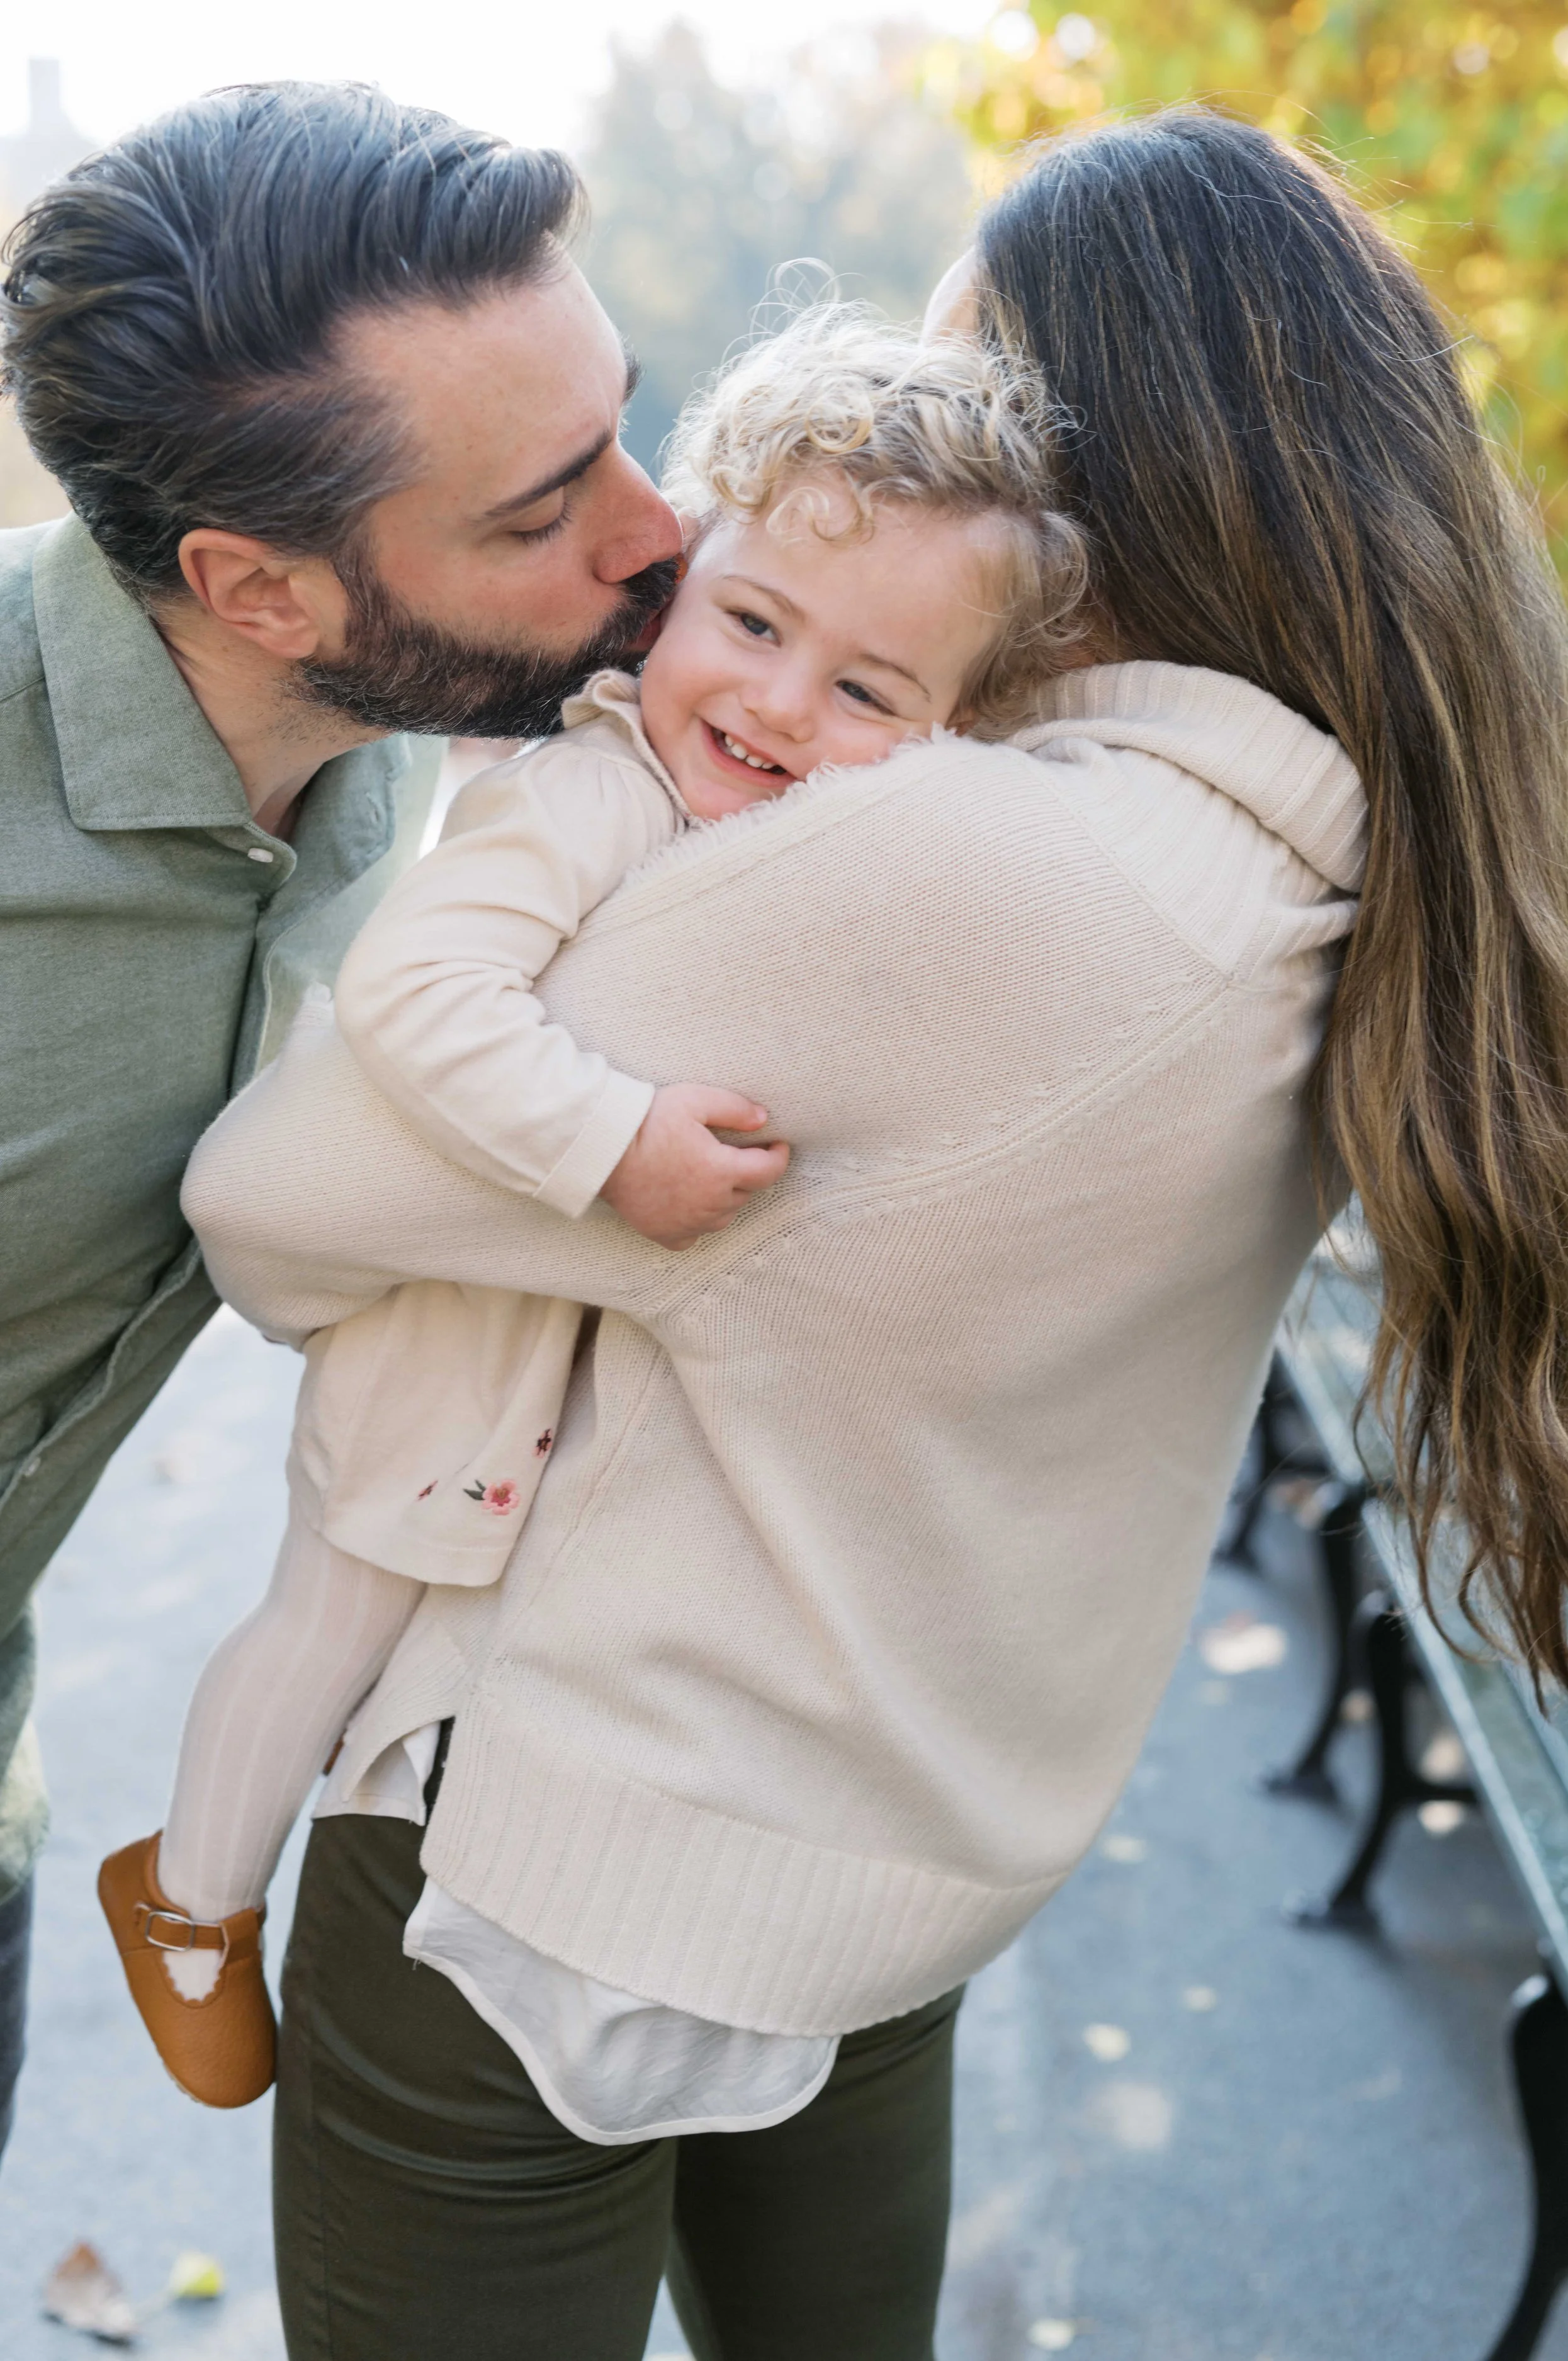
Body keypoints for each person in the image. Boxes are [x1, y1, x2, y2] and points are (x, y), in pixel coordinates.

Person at [179, 110, 1568, 2361]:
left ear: (1081, 508)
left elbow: (274, 1206)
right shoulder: (1336, 870)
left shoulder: (968, 868)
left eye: (977, 412)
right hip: (903, 1878)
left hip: (555, 1887)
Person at [99, 310, 1088, 2112]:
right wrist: (605, 1141)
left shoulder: (819, 848)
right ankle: (190, 1900)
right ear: (683, 582)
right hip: (442, 1352)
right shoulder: (586, 790)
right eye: (754, 624)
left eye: (867, 692)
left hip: (557, 1383)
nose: (778, 706)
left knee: (418, 1653)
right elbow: (419, 1004)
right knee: (331, 1625)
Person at [0, 81, 680, 2158]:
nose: (659, 532)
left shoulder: (433, 774)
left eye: (621, 425)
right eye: (537, 508)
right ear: (260, 587)